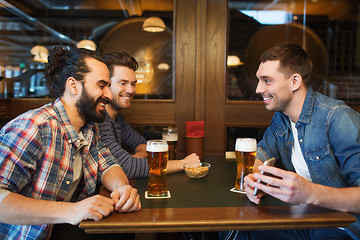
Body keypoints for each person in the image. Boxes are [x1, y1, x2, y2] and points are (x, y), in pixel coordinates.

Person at [0, 47, 141, 240]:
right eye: (101, 85)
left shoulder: (90, 127)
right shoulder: (34, 127)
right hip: (31, 235)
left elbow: (108, 164)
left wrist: (122, 187)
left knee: (124, 232)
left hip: (63, 229)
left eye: (109, 85)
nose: (109, 95)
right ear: (73, 86)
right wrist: (71, 211)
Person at [223, 43, 360, 240]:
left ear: (295, 81)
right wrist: (255, 179)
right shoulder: (282, 118)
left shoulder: (337, 118)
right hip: (305, 217)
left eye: (267, 81)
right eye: (259, 81)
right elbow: (263, 151)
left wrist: (309, 192)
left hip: (342, 225)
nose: (258, 89)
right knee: (234, 227)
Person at [98, 51, 200, 179]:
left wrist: (131, 161)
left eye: (133, 84)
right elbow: (127, 168)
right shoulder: (99, 120)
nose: (130, 90)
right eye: (123, 83)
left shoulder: (117, 119)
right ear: (106, 85)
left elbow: (143, 146)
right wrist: (183, 164)